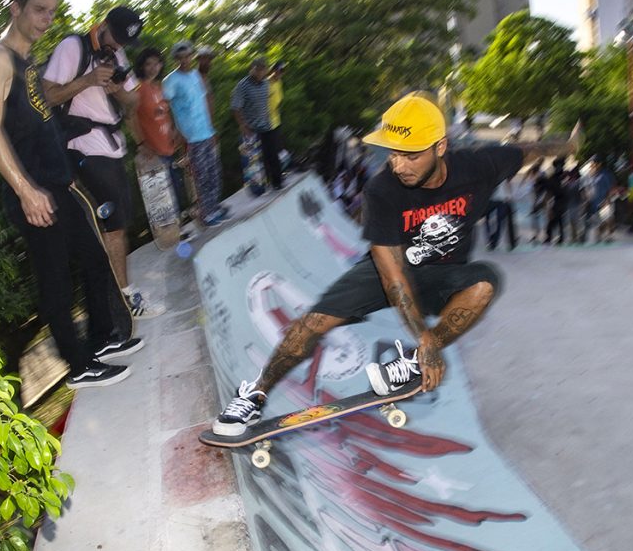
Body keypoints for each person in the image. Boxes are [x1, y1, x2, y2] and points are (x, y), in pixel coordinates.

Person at [211, 92, 538, 435]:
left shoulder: (479, 166)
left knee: (486, 281)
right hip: (389, 271)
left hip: (445, 274)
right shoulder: (383, 189)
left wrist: (566, 146)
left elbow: (529, 150)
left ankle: (411, 362)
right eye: (394, 154)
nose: (399, 166)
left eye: (411, 156)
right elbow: (393, 277)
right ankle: (255, 394)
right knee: (312, 324)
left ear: (440, 147)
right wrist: (424, 339)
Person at [0, 0, 141, 389]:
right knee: (55, 280)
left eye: (51, 12)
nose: (47, 19)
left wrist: (63, 176)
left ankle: (101, 339)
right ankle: (78, 366)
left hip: (56, 183)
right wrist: (26, 191)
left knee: (95, 258)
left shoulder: (28, 62)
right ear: (15, 8)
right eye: (39, 10)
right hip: (32, 190)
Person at [41, 5, 163, 319]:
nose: (120, 44)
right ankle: (124, 300)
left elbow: (134, 100)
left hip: (112, 146)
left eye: (126, 41)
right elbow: (48, 95)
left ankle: (121, 295)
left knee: (119, 224)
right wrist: (88, 80)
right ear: (104, 24)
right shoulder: (73, 47)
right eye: (117, 36)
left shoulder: (117, 54)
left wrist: (117, 90)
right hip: (84, 145)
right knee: (112, 226)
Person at [163, 40, 228, 226]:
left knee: (214, 173)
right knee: (200, 177)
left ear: (192, 56)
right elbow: (164, 108)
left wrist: (211, 128)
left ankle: (213, 208)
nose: (185, 60)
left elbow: (203, 102)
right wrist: (175, 131)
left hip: (206, 132)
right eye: (180, 58)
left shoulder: (195, 76)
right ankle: (205, 214)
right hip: (190, 138)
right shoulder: (170, 80)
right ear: (176, 59)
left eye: (187, 56)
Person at [128, 47, 189, 225]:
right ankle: (170, 233)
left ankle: (178, 231)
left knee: (177, 192)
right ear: (142, 66)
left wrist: (174, 130)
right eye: (149, 64)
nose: (154, 67)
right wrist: (140, 144)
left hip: (169, 147)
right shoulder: (137, 89)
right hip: (153, 152)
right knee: (162, 199)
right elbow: (130, 117)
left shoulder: (158, 87)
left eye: (157, 63)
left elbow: (165, 113)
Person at [230, 57, 283, 192]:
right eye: (257, 70)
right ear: (251, 69)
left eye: (262, 70)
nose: (260, 73)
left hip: (267, 125)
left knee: (272, 154)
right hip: (251, 129)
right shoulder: (242, 86)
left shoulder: (266, 84)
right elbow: (235, 107)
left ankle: (277, 182)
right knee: (255, 162)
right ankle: (259, 188)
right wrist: (242, 125)